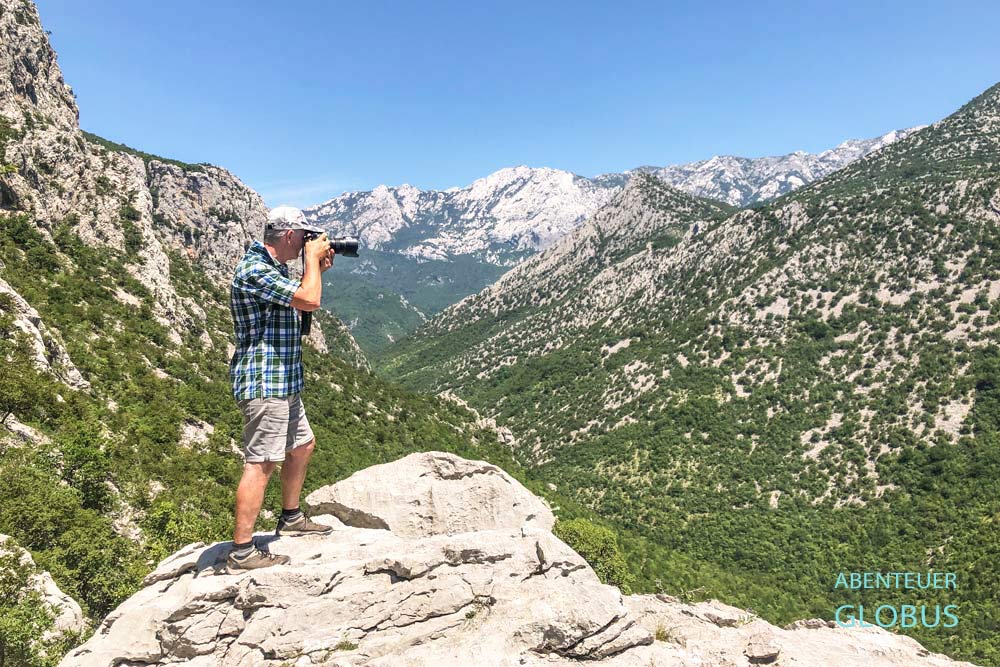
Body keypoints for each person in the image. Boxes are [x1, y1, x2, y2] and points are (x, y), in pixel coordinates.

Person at [226, 205, 336, 572]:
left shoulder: (274, 269)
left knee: (302, 446)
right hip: (264, 380)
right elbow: (310, 300)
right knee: (261, 462)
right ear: (289, 235)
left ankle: (290, 516)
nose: (307, 242)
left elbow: (305, 303)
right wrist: (311, 264)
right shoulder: (255, 269)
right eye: (304, 237)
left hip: (284, 380)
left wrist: (315, 268)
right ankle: (242, 551)